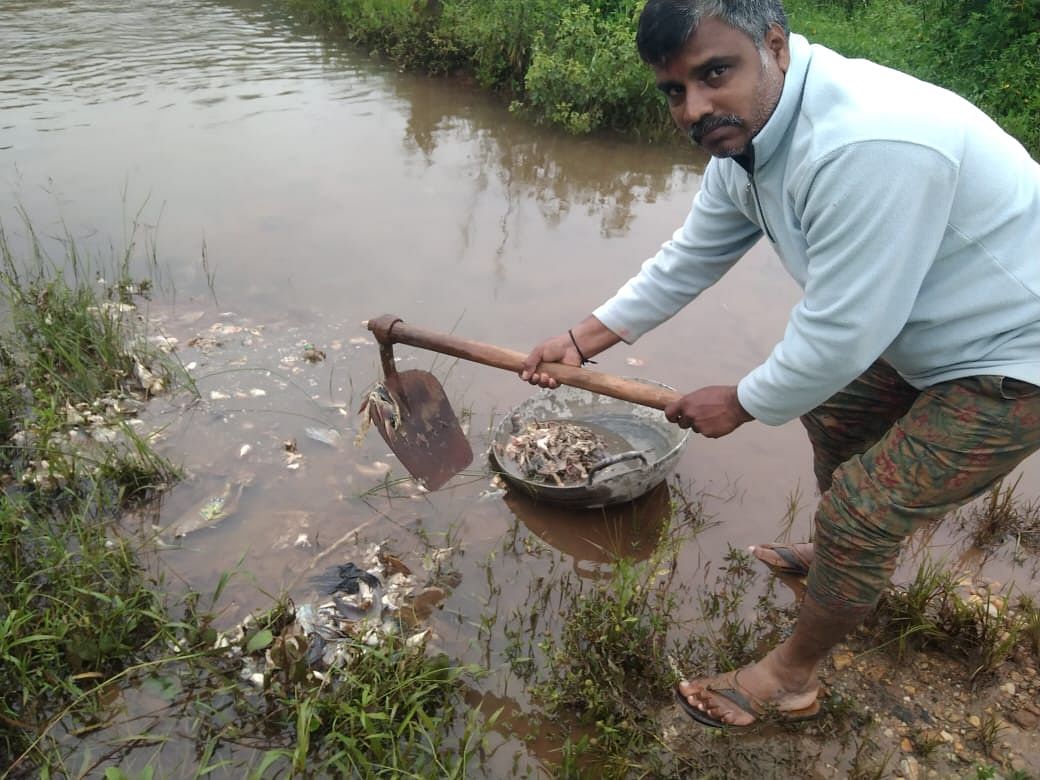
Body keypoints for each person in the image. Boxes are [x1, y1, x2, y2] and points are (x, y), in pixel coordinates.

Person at [520, 0, 1040, 728]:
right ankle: (843, 556)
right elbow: (691, 256)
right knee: (834, 409)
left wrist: (740, 400)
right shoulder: (750, 139)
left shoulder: (867, 143)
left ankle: (791, 675)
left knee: (866, 507)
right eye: (675, 90)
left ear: (775, 46)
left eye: (715, 74)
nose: (696, 108)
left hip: (1016, 354)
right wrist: (580, 341)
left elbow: (845, 330)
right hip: (923, 321)